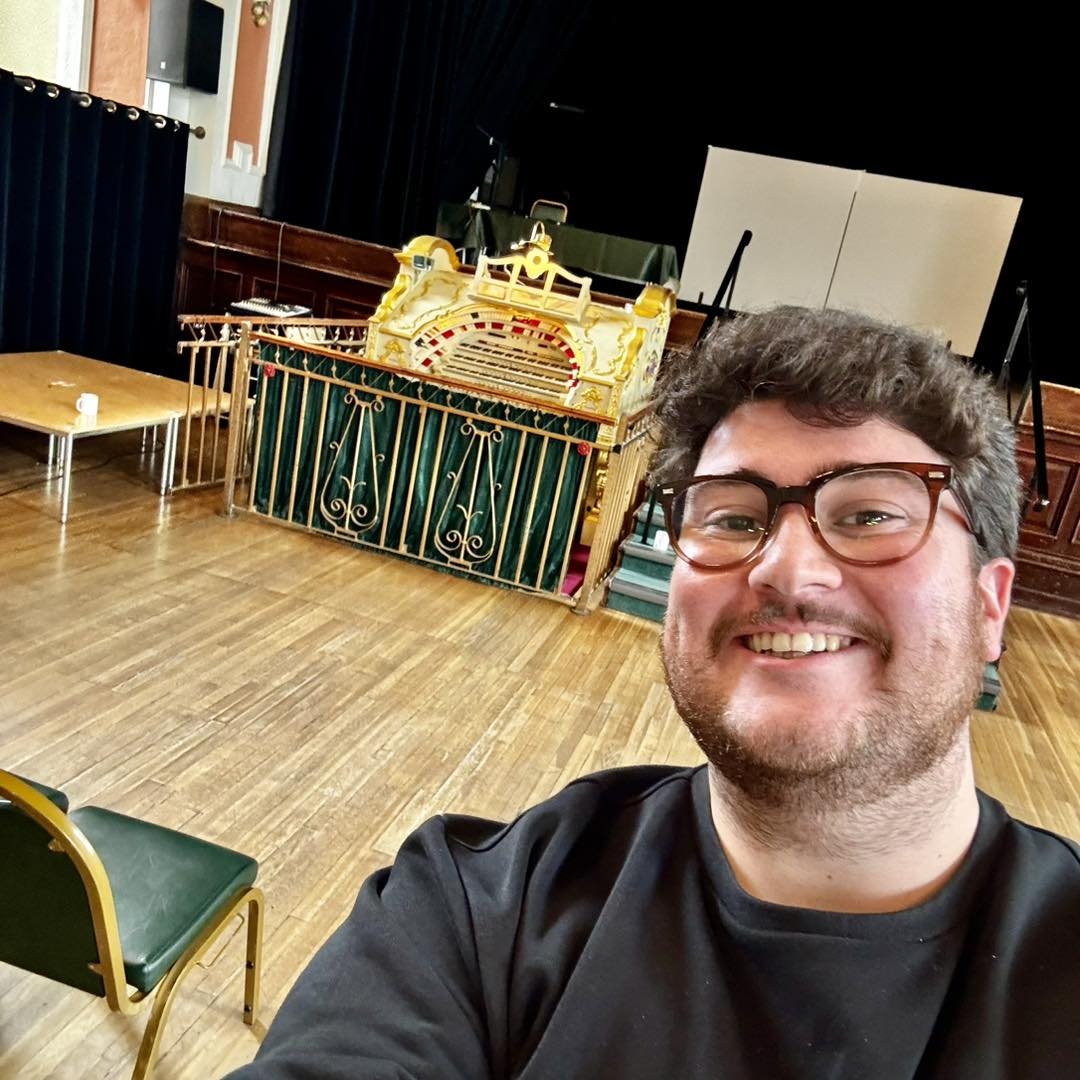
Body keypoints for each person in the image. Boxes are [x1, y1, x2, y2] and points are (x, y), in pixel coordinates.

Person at [226, 308, 1079, 1079]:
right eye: (734, 518)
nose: (784, 567)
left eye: (869, 516)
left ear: (989, 604)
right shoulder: (475, 914)